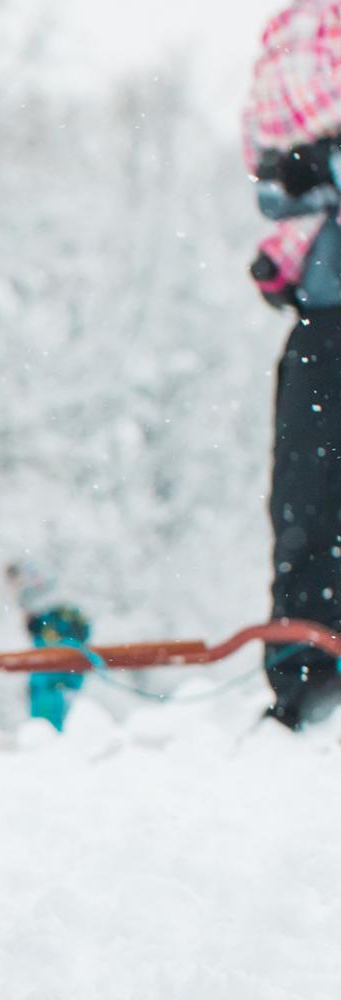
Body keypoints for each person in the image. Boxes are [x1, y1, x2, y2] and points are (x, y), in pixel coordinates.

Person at [245, 1, 341, 728]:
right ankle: (306, 668)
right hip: (326, 314)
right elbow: (271, 181)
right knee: (305, 498)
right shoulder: (292, 29)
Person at [5, 561, 91, 732]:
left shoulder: (56, 619)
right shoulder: (48, 622)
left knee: (50, 730)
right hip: (51, 685)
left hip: (54, 686)